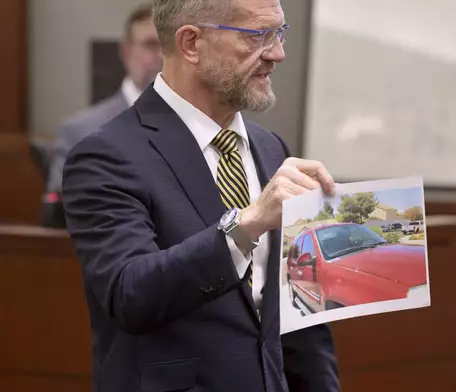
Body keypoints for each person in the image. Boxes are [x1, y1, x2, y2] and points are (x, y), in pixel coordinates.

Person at [61, 0, 340, 391]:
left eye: (279, 32)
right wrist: (245, 226)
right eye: (257, 36)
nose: (277, 53)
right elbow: (130, 294)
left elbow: (299, 321)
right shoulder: (106, 155)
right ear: (191, 43)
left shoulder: (270, 148)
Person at [42, 2, 162, 227]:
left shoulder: (204, 123)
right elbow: (60, 215)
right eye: (151, 45)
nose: (162, 56)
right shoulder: (80, 131)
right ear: (126, 52)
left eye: (168, 45)